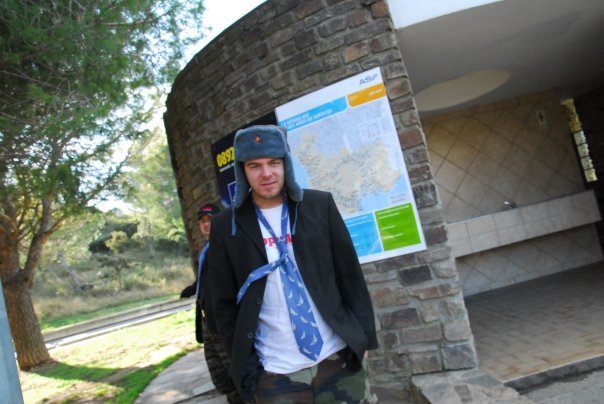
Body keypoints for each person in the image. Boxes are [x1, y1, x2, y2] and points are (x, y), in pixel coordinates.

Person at [208, 125, 378, 403]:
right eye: (255, 166)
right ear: (242, 171)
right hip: (275, 374)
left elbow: (349, 276)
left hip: (338, 358)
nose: (266, 173)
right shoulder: (226, 226)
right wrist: (249, 372)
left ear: (285, 163)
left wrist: (364, 339)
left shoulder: (319, 205)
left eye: (274, 162)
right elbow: (223, 305)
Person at [180, 203, 242, 404]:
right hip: (208, 325)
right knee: (221, 379)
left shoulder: (227, 247)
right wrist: (193, 288)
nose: (206, 225)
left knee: (238, 378)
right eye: (203, 221)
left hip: (224, 327)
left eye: (210, 220)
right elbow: (207, 278)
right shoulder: (206, 250)